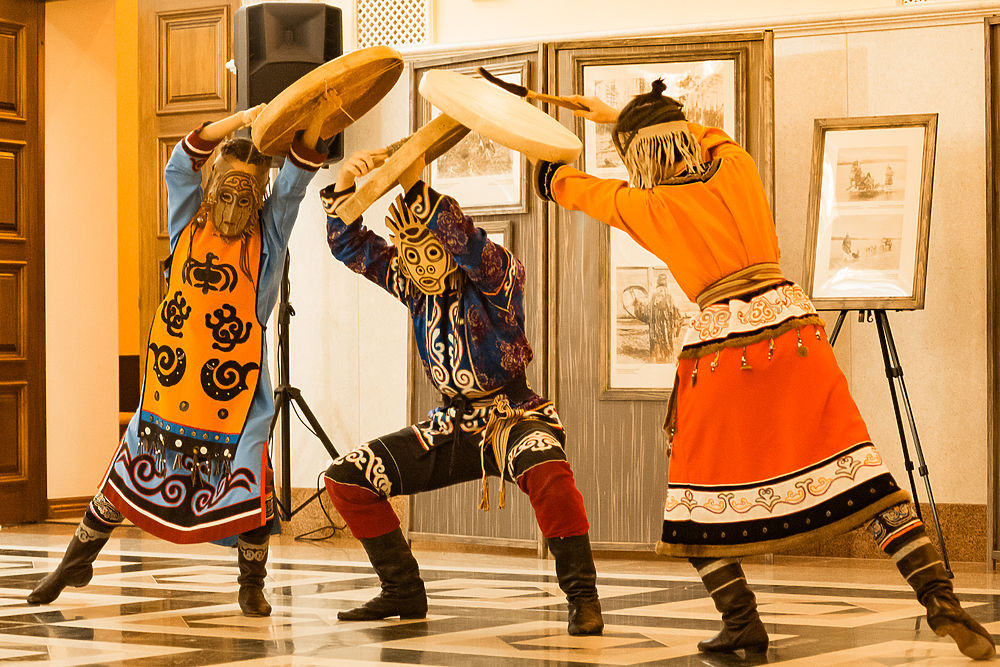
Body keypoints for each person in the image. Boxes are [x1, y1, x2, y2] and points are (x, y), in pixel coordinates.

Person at [531, 80, 995, 660]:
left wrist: (541, 144)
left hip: (724, 354)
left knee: (693, 500)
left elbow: (564, 185)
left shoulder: (645, 206)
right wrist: (623, 115)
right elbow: (706, 136)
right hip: (798, 336)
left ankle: (742, 621)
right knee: (861, 475)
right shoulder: (736, 166)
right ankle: (940, 598)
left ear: (639, 155)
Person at [27, 104, 332, 617]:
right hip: (171, 385)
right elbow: (178, 166)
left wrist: (322, 109)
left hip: (237, 394)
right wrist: (237, 121)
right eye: (226, 194)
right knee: (128, 473)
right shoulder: (186, 224)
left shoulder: (269, 236)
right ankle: (75, 563)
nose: (233, 208)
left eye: (247, 199)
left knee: (248, 482)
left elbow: (294, 184)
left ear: (260, 199)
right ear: (211, 190)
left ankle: (251, 583)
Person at [317, 146, 604, 636]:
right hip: (450, 425)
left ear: (449, 249)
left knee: (549, 473)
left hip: (515, 417)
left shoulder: (495, 277)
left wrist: (414, 186)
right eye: (411, 257)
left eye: (432, 253)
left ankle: (583, 597)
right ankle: (402, 588)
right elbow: (351, 247)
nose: (422, 267)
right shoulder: (414, 288)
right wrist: (345, 185)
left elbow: (469, 244)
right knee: (347, 478)